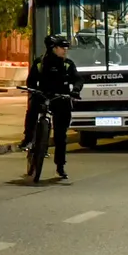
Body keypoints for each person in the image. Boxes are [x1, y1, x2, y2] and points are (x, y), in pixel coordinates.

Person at [19, 35, 83, 179]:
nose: (65, 50)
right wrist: (33, 90)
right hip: (43, 96)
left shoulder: (68, 64)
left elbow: (78, 79)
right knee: (32, 111)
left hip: (61, 98)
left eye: (66, 48)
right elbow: (31, 80)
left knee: (61, 135)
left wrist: (75, 90)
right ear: (53, 48)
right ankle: (28, 139)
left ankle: (60, 166)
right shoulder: (40, 63)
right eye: (62, 47)